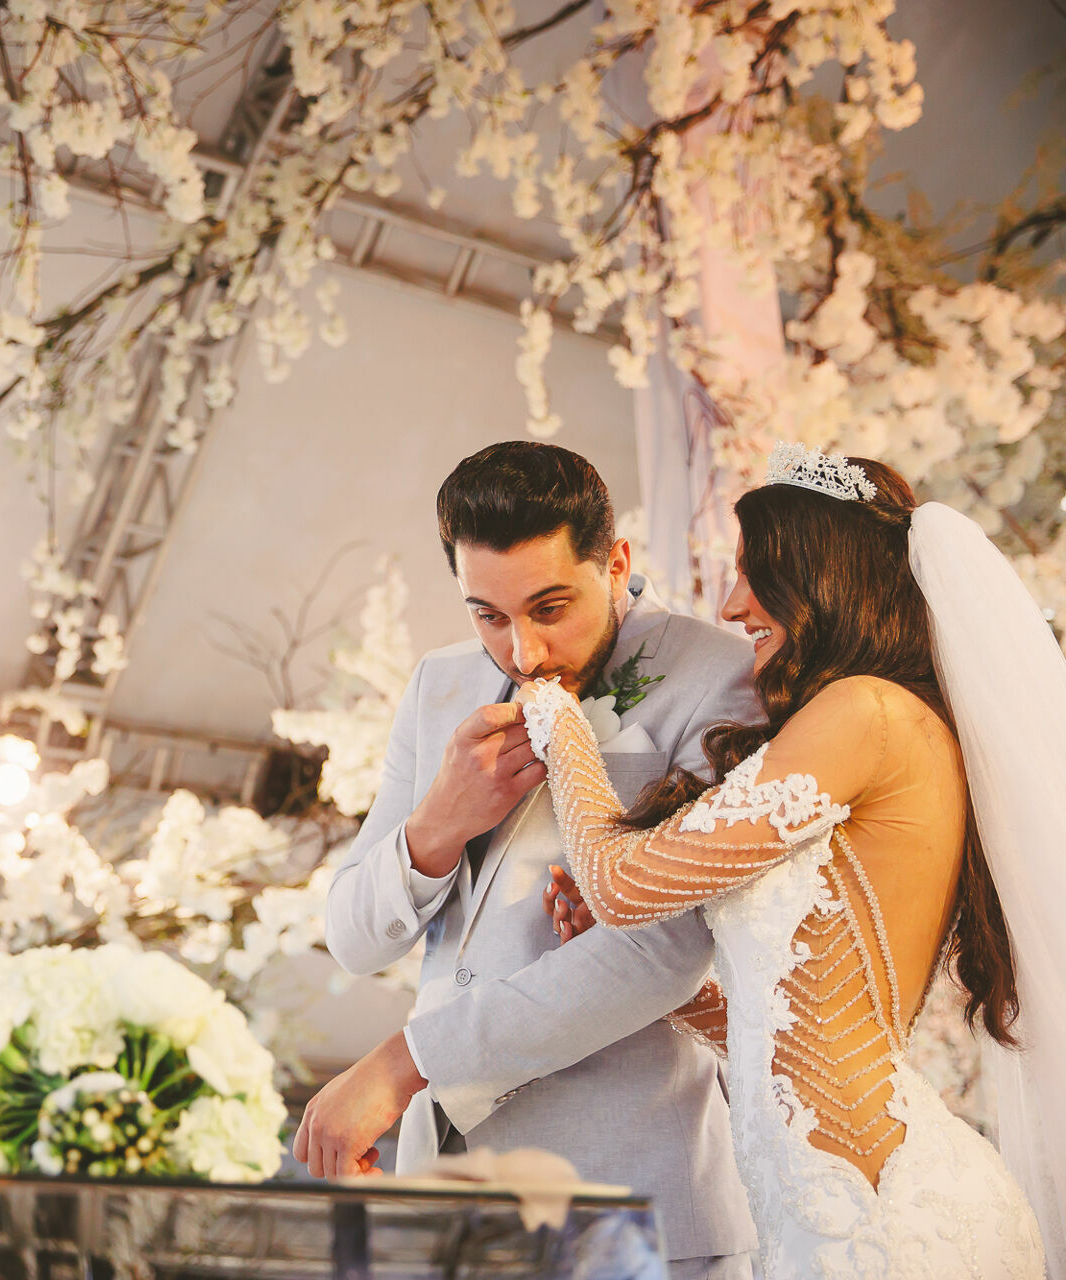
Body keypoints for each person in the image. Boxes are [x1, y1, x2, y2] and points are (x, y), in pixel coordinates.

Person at [527, 445, 1054, 1277]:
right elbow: (794, 1021)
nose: (733, 605)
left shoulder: (868, 711)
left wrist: (555, 718)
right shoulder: (895, 724)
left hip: (879, 1225)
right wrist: (670, 996)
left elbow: (623, 884)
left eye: (753, 570)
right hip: (849, 1204)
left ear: (820, 571)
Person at [296, 442, 757, 1279]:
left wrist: (408, 1062)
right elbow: (356, 939)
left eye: (552, 607)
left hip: (634, 1204)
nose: (527, 651)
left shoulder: (717, 675)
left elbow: (663, 954)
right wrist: (436, 826)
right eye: (490, 615)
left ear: (615, 562)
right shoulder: (439, 683)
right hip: (448, 1204)